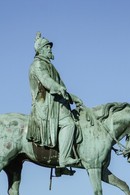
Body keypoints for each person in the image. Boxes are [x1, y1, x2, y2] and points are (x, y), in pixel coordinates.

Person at [26, 32, 82, 168]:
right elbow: (46, 80)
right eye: (47, 47)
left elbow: (59, 86)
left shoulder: (48, 65)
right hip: (45, 105)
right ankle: (64, 159)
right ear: (40, 50)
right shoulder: (38, 64)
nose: (50, 49)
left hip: (53, 103)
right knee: (69, 123)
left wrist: (72, 97)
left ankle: (60, 168)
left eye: (49, 47)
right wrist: (58, 88)